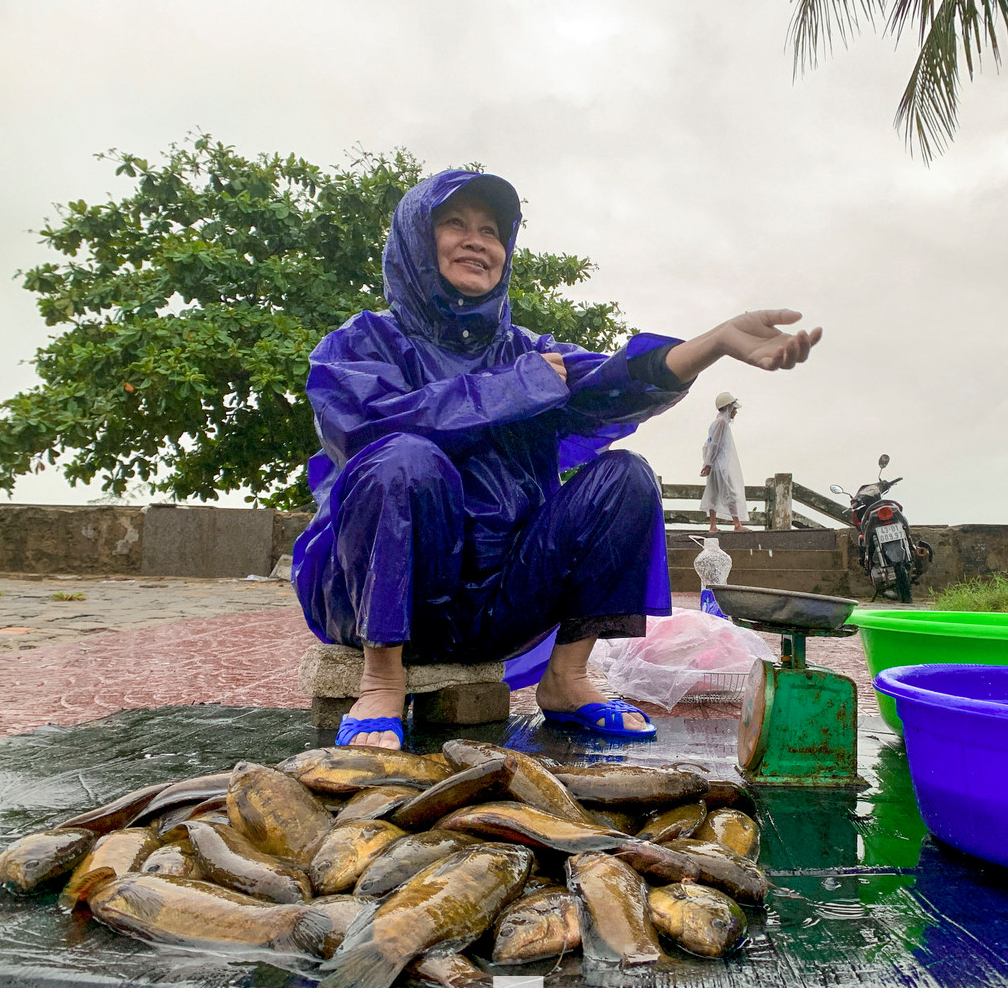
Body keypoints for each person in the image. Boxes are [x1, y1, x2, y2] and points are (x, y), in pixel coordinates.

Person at [291, 169, 820, 749]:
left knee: (627, 477)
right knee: (406, 459)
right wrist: (509, 390)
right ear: (416, 241)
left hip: (499, 604)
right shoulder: (359, 343)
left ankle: (567, 679)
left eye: (492, 231)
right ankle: (381, 679)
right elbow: (367, 430)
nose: (477, 241)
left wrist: (715, 342)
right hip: (372, 597)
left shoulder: (530, 353)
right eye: (455, 224)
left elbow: (614, 380)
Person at [699, 392, 747, 533]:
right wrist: (708, 464)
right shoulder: (721, 423)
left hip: (714, 465)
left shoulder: (715, 423)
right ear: (728, 407)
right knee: (729, 492)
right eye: (733, 408)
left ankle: (712, 526)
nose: (735, 412)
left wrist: (707, 463)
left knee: (713, 493)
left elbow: (708, 445)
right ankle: (737, 524)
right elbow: (715, 445)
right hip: (720, 465)